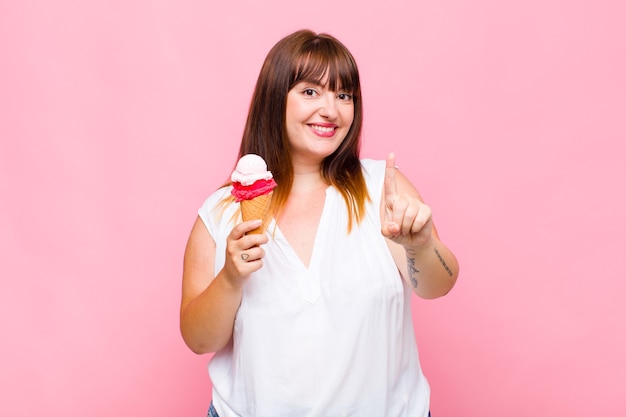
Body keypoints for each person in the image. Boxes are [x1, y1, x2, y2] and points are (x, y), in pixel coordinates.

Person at [180, 29, 459, 417]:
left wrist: (422, 246)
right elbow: (197, 340)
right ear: (275, 98)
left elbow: (437, 285)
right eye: (310, 92)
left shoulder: (382, 188)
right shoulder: (221, 210)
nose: (331, 110)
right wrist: (230, 278)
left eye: (344, 95)